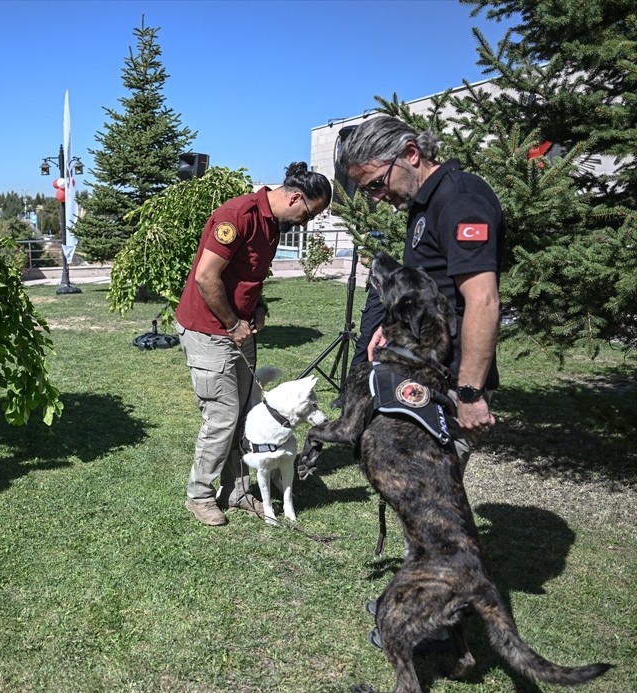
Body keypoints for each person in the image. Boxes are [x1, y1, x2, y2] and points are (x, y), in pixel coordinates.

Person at [176, 162, 332, 526]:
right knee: (223, 416)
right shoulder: (238, 216)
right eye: (310, 213)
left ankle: (238, 491)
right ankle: (199, 495)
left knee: (246, 414)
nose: (306, 223)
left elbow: (251, 276)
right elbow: (206, 276)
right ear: (295, 197)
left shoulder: (272, 227)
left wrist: (257, 307)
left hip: (239, 330)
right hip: (208, 330)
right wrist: (232, 323)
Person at [339, 116, 503, 460]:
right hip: (426, 372)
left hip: (453, 382)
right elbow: (427, 290)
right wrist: (389, 328)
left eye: (376, 184)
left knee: (433, 498)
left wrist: (470, 394)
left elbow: (483, 301)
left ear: (411, 153)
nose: (376, 198)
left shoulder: (460, 199)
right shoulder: (424, 202)